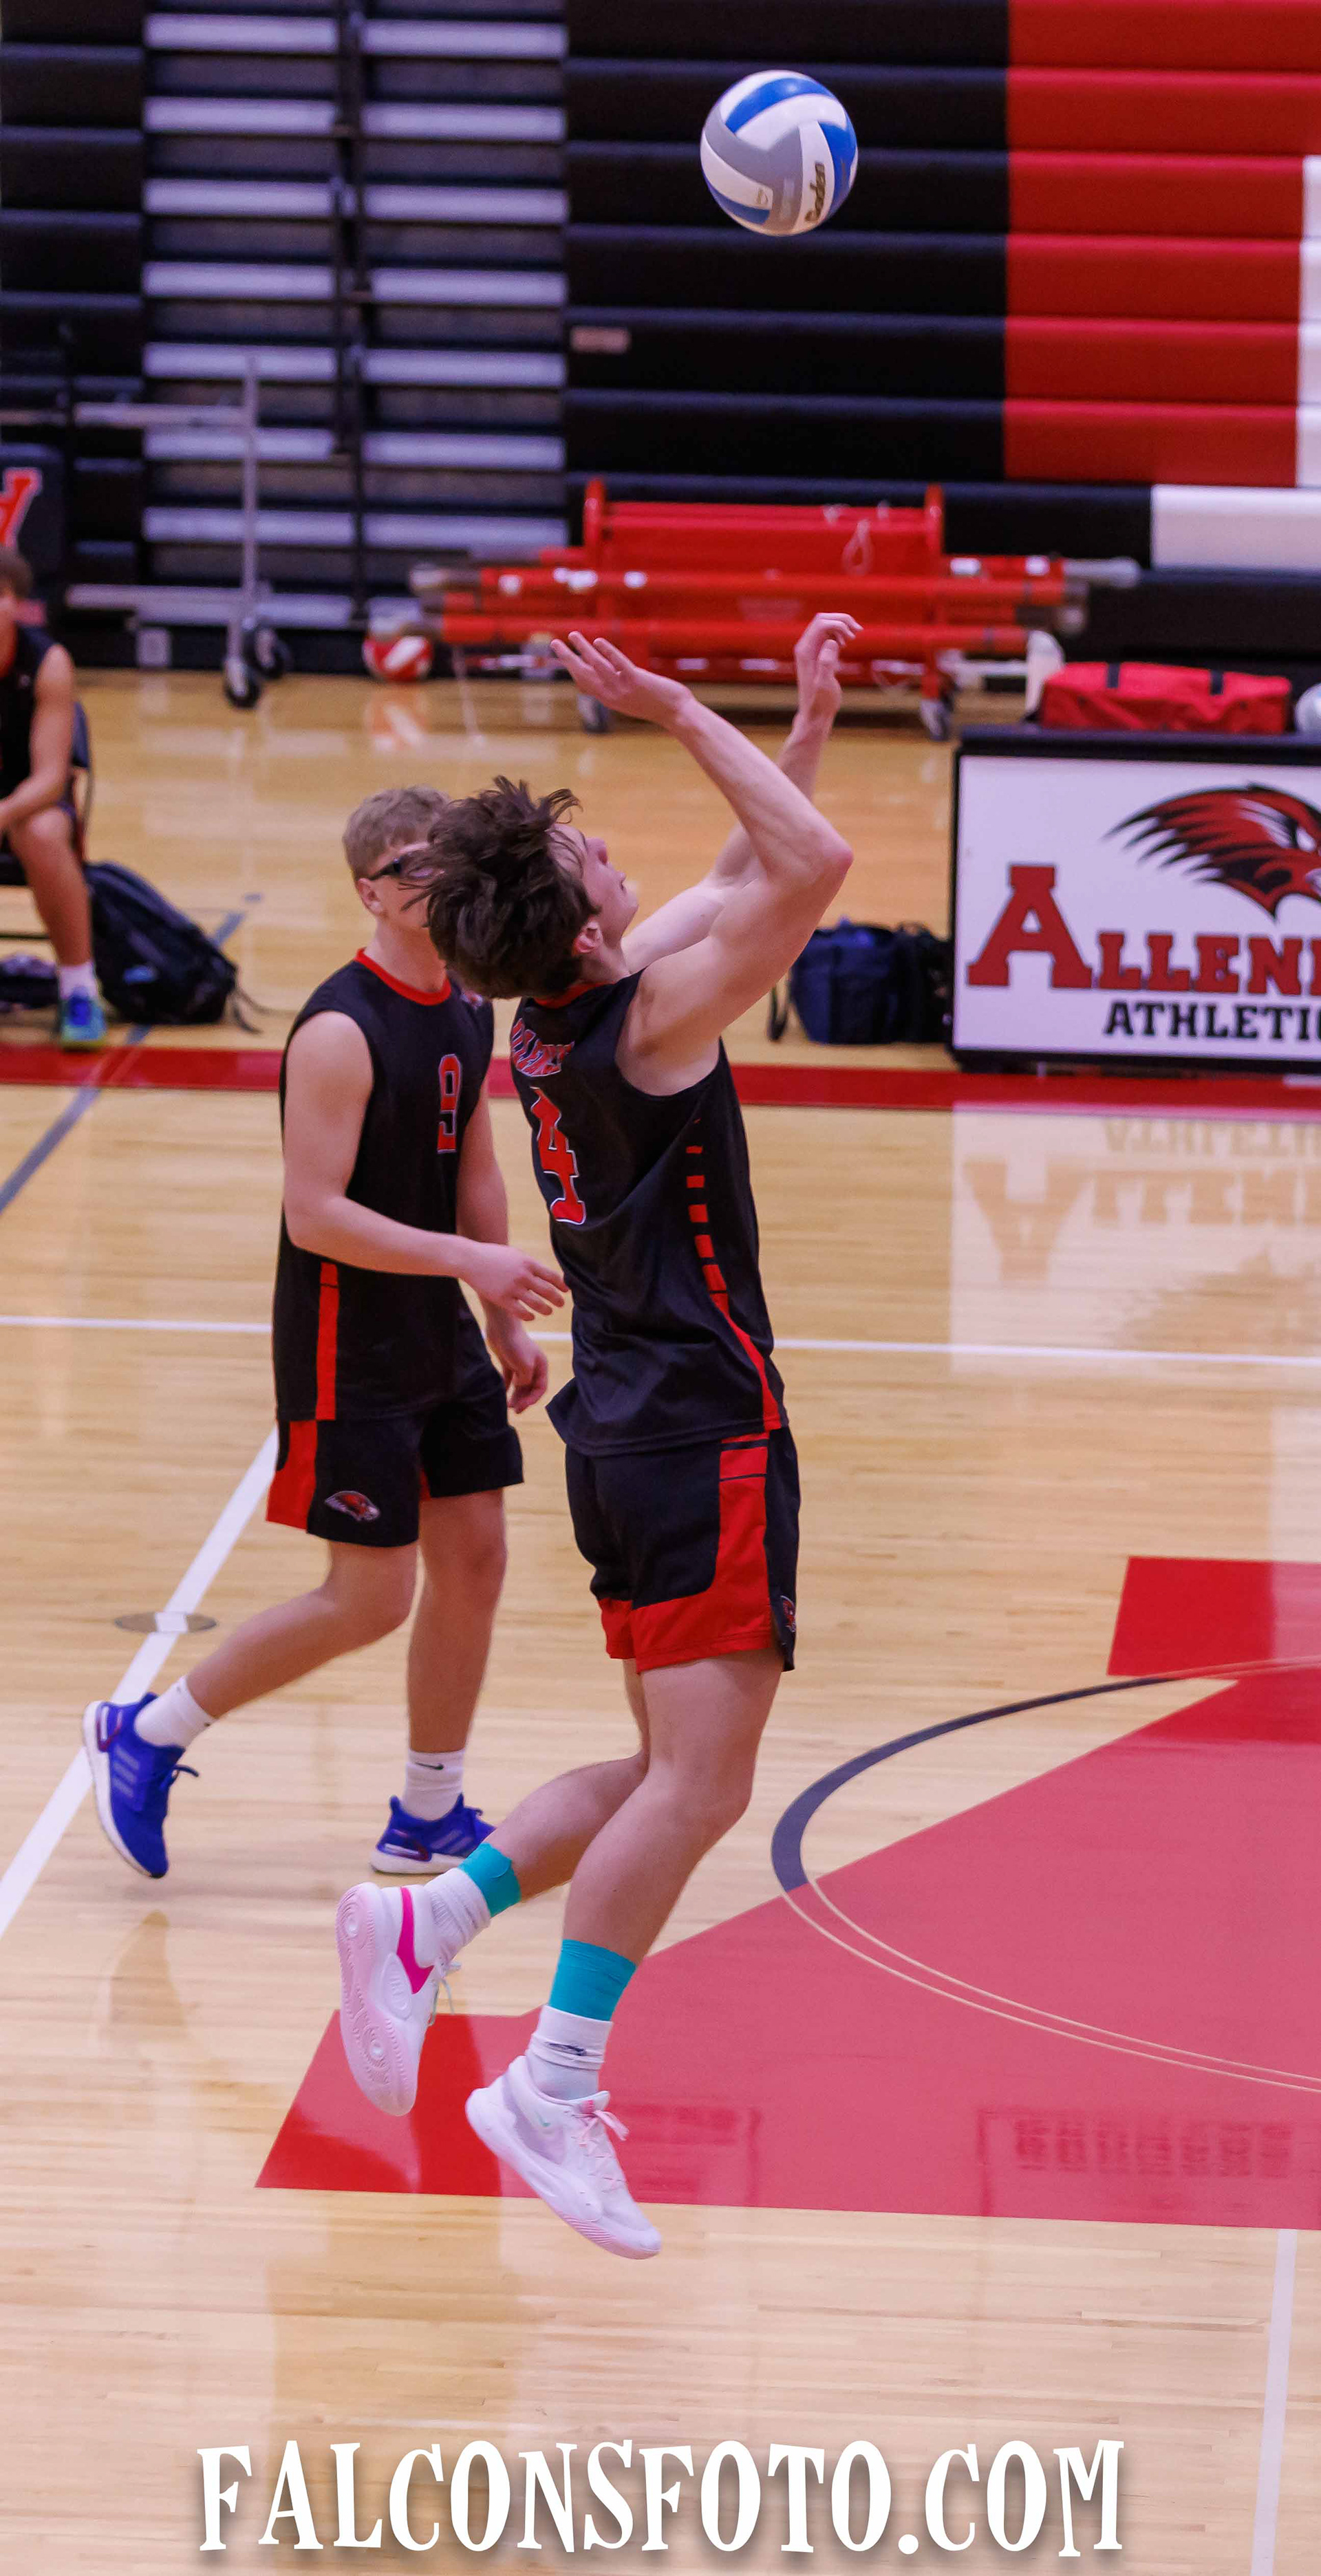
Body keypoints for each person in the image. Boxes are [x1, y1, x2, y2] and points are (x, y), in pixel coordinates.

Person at [334, 616, 857, 2257]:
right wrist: (683, 703)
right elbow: (810, 867)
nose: (613, 848)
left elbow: (754, 865)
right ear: (578, 916)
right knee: (699, 1786)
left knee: (654, 1772)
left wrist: (806, 715)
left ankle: (429, 1919)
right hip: (698, 1431)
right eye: (586, 850)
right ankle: (551, 2085)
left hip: (627, 1428)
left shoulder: (569, 1011)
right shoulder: (652, 1021)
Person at [83, 784, 564, 1882]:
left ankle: (428, 1813)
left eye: (447, 861)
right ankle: (146, 1733)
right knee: (369, 1598)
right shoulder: (341, 1029)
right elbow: (316, 1215)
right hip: (349, 1344)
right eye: (412, 867)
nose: (435, 881)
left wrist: (499, 1316)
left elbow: (477, 1168)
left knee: (477, 1558)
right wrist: (470, 1263)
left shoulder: (466, 1001)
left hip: (439, 1327)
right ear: (369, 892)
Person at [0, 546, 105, 1047]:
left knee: (38, 833)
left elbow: (50, 779)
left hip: (33, 803)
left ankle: (78, 989)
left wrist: (2, 812)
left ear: (15, 602)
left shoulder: (48, 662)